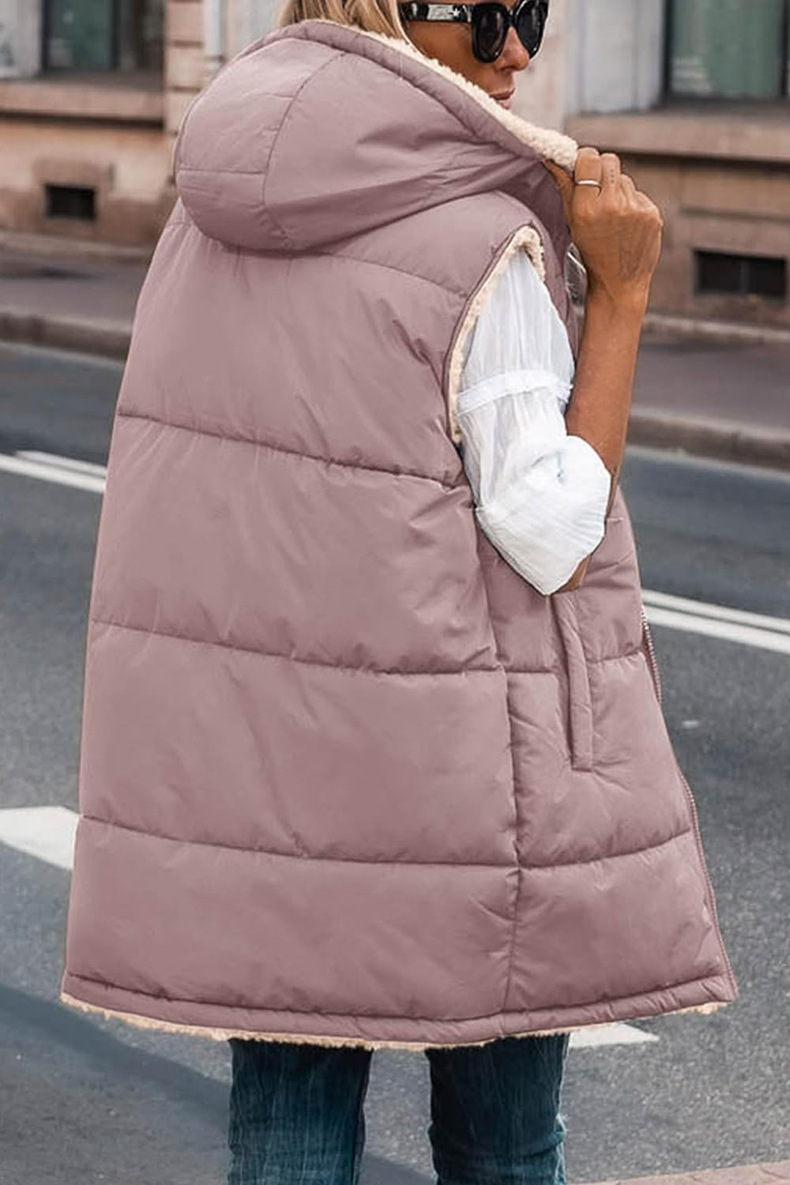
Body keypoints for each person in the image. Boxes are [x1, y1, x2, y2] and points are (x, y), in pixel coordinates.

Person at [58, 0, 739, 1182]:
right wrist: (624, 294)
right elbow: (550, 535)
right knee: (501, 1149)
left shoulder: (211, 212)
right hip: (470, 794)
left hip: (263, 782)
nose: (517, 50)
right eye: (491, 15)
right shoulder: (484, 238)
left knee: (286, 1136)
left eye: (532, 10)